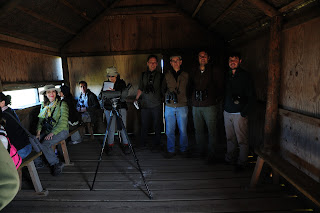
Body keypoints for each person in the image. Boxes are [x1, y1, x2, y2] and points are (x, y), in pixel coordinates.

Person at [191, 51, 224, 163]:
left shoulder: (215, 70)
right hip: (196, 105)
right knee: (198, 130)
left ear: (209, 58)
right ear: (198, 58)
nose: (203, 58)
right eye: (200, 56)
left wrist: (215, 99)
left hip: (210, 105)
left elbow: (220, 87)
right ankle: (201, 151)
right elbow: (190, 85)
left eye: (205, 56)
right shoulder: (194, 70)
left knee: (212, 131)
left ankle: (212, 153)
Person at [224, 52, 255, 172]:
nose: (232, 61)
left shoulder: (246, 76)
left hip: (239, 113)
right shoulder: (227, 75)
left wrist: (244, 112)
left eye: (235, 59)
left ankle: (242, 162)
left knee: (242, 139)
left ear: (240, 61)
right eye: (230, 59)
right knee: (230, 138)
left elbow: (252, 96)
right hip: (227, 111)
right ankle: (230, 158)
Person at [35, 85, 69, 176]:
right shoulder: (44, 105)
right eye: (49, 92)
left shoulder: (62, 104)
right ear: (46, 94)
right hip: (48, 130)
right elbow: (40, 121)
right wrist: (38, 132)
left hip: (61, 130)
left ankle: (56, 163)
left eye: (53, 91)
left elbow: (63, 122)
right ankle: (39, 162)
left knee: (45, 143)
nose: (51, 94)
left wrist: (52, 133)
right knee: (34, 140)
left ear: (56, 93)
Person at [98, 67, 130, 155]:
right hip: (108, 107)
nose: (111, 78)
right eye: (109, 76)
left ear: (116, 75)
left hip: (120, 106)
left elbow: (123, 95)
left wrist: (115, 92)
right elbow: (101, 95)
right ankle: (110, 145)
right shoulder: (106, 84)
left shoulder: (121, 83)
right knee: (110, 127)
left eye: (113, 76)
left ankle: (126, 144)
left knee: (122, 127)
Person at [162, 55, 189, 158]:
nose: (175, 62)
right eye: (173, 61)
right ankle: (171, 150)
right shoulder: (167, 75)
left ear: (181, 62)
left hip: (182, 105)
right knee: (169, 130)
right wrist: (167, 96)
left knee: (183, 130)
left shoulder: (186, 75)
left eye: (177, 60)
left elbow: (190, 88)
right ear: (170, 63)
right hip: (169, 106)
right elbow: (162, 88)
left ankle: (184, 149)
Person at [134, 55, 163, 151]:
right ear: (147, 63)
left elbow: (163, 89)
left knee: (157, 125)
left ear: (157, 64)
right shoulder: (143, 75)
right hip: (145, 104)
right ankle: (143, 143)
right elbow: (140, 88)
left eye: (154, 62)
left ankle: (157, 144)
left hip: (156, 104)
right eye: (151, 62)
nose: (153, 64)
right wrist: (136, 98)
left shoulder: (160, 75)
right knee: (144, 125)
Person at [0, 92, 32, 159]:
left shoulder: (4, 116)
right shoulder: (10, 110)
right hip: (27, 146)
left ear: (2, 103)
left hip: (20, 151)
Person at [0, 122, 19, 211]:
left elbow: (10, 183)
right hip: (16, 156)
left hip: (18, 154)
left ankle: (54, 162)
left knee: (45, 144)